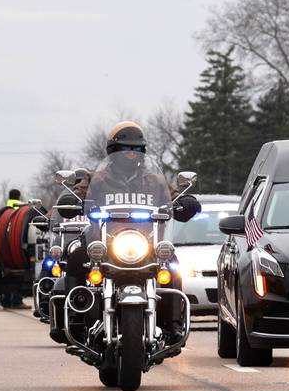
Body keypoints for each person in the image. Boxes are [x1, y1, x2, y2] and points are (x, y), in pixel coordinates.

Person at [59, 121, 201, 342]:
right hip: (105, 243)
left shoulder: (155, 180)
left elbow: (173, 197)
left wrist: (186, 202)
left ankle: (173, 324)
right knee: (77, 257)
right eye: (126, 149)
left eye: (136, 149)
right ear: (114, 151)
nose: (131, 154)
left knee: (172, 265)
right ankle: (77, 319)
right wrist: (71, 199)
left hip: (146, 243)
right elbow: (79, 193)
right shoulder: (97, 179)